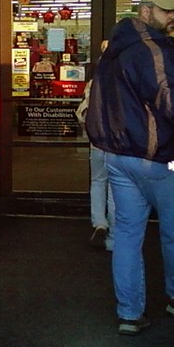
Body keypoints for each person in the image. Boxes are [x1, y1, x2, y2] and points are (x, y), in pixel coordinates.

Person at [85, 0, 174, 336]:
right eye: (165, 10)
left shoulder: (114, 49)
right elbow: (172, 102)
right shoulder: (153, 50)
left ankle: (129, 313)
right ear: (145, 11)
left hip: (117, 154)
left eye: (173, 10)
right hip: (154, 157)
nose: (172, 16)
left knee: (127, 234)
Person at [75, 41, 114, 250]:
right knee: (117, 186)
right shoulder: (125, 81)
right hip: (119, 143)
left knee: (98, 181)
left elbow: (81, 112)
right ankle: (114, 232)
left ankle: (99, 222)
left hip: (97, 141)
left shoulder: (94, 82)